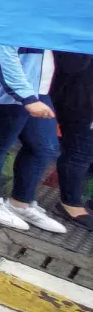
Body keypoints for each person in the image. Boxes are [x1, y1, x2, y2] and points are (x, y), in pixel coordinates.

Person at [0, 44, 66, 233]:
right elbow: (2, 51)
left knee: (43, 147)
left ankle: (21, 203)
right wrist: (26, 97)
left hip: (36, 87)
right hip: (0, 91)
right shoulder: (15, 14)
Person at [51, 52, 93, 230]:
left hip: (83, 95)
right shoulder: (77, 31)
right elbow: (71, 65)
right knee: (79, 151)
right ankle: (70, 204)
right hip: (78, 98)